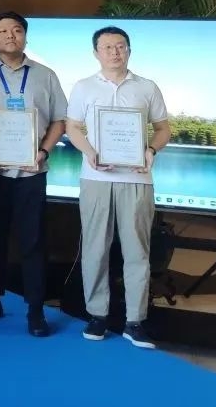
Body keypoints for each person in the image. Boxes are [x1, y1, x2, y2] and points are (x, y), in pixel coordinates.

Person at [65, 26, 170, 350]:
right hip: (96, 179)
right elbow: (72, 126)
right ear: (96, 52)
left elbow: (163, 128)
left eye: (120, 46)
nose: (115, 52)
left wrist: (151, 150)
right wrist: (90, 152)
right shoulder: (84, 87)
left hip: (137, 179)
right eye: (107, 47)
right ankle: (97, 315)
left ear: (129, 50)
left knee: (137, 251)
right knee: (94, 248)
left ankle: (135, 321)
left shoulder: (147, 87)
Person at [0, 12, 67, 337]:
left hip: (31, 172)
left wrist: (44, 151)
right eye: (3, 31)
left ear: (25, 36)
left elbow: (60, 120)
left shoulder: (45, 75)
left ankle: (35, 309)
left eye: (17, 30)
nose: (10, 35)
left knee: (33, 241)